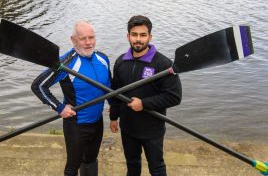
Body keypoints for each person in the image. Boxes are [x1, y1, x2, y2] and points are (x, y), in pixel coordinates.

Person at [31, 20, 111, 176]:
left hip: (97, 122)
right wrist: (59, 108)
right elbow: (38, 86)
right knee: (72, 166)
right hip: (76, 124)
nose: (88, 43)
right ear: (73, 40)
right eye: (83, 38)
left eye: (91, 37)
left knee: (91, 160)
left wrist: (114, 112)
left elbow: (109, 88)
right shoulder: (65, 63)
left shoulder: (103, 59)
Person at [109, 15, 182, 176]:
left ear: (150, 36)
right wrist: (113, 117)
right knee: (132, 166)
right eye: (134, 35)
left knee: (156, 168)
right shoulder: (121, 62)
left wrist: (144, 103)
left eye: (143, 35)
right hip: (128, 128)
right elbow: (115, 93)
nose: (138, 39)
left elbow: (174, 96)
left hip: (152, 129)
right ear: (128, 36)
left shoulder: (163, 64)